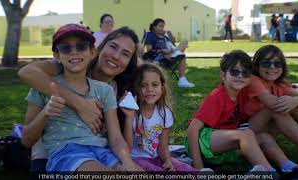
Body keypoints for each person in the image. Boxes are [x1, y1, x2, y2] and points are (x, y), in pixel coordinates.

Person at [21, 23, 141, 172]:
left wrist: (127, 161)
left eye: (125, 54)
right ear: (98, 50)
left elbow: (116, 137)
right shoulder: (53, 77)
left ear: (91, 51)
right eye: (113, 47)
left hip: (101, 151)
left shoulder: (110, 90)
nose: (74, 52)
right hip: (62, 153)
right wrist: (79, 104)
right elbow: (26, 72)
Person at [186, 50, 276, 172]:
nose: (240, 76)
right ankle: (270, 172)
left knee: (265, 138)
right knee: (246, 134)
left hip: (221, 146)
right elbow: (193, 127)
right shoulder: (217, 96)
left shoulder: (242, 92)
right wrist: (198, 167)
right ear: (223, 75)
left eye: (245, 73)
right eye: (234, 71)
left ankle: (289, 167)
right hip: (202, 140)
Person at [245, 45, 298, 168]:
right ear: (257, 66)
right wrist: (293, 101)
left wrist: (296, 101)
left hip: (267, 131)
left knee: (295, 105)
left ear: (282, 67)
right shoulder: (254, 80)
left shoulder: (280, 84)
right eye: (266, 63)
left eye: (277, 63)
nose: (272, 67)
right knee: (277, 108)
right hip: (246, 131)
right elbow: (275, 104)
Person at [123, 63, 195, 171]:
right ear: (136, 88)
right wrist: (129, 118)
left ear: (162, 87)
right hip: (136, 159)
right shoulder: (132, 113)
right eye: (143, 85)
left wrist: (167, 160)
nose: (149, 89)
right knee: (157, 171)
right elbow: (126, 148)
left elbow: (163, 146)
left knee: (185, 167)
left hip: (157, 157)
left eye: (155, 84)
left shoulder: (165, 113)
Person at [145, 18, 195, 88]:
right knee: (182, 56)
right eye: (160, 26)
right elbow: (149, 51)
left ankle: (182, 80)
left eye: (163, 26)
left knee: (184, 42)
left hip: (170, 53)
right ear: (154, 27)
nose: (162, 28)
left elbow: (172, 46)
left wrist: (170, 37)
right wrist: (161, 50)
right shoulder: (151, 35)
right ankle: (182, 80)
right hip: (160, 58)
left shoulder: (165, 36)